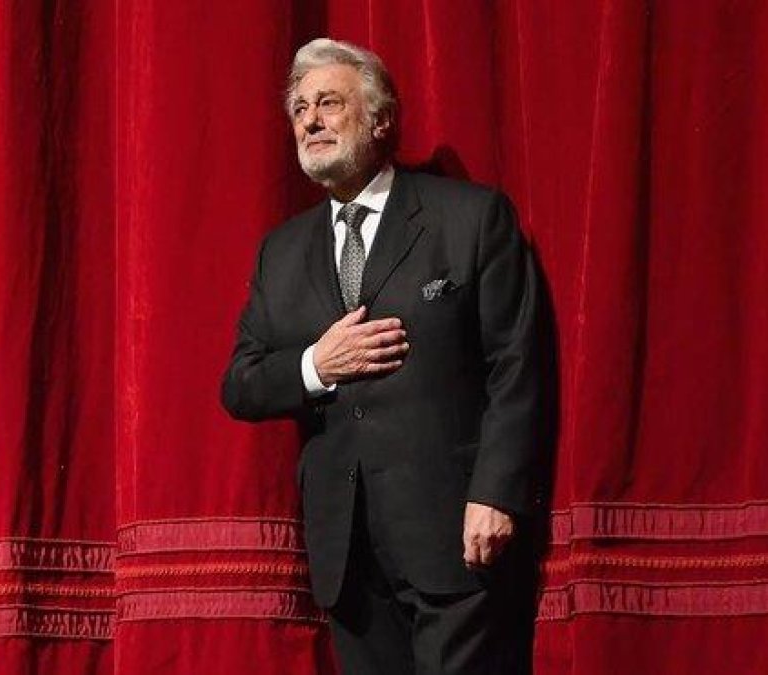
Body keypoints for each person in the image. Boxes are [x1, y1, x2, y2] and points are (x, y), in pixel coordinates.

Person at [221, 38, 541, 675]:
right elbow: (241, 383)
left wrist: (497, 494)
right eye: (300, 109)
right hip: (347, 553)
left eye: (329, 103)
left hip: (455, 535)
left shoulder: (470, 218)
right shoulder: (280, 253)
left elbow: (517, 364)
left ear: (380, 119)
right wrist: (317, 363)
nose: (310, 120)